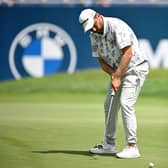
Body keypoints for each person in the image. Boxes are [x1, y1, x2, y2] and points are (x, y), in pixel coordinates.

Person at [79, 9, 149, 158]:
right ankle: (109, 145)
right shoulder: (93, 35)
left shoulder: (117, 26)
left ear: (98, 16)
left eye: (93, 25)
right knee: (109, 104)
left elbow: (128, 53)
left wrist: (117, 76)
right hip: (118, 71)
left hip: (135, 68)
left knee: (126, 103)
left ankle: (132, 147)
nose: (93, 29)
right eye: (90, 28)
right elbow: (102, 62)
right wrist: (114, 76)